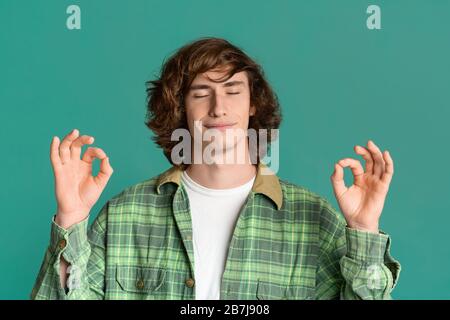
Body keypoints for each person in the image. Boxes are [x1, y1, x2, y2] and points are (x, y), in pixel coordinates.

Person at [31, 37, 400, 300]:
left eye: (233, 90)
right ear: (181, 107)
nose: (218, 107)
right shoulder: (125, 214)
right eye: (201, 92)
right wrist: (71, 218)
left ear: (253, 104)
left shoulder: (315, 218)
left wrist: (364, 231)